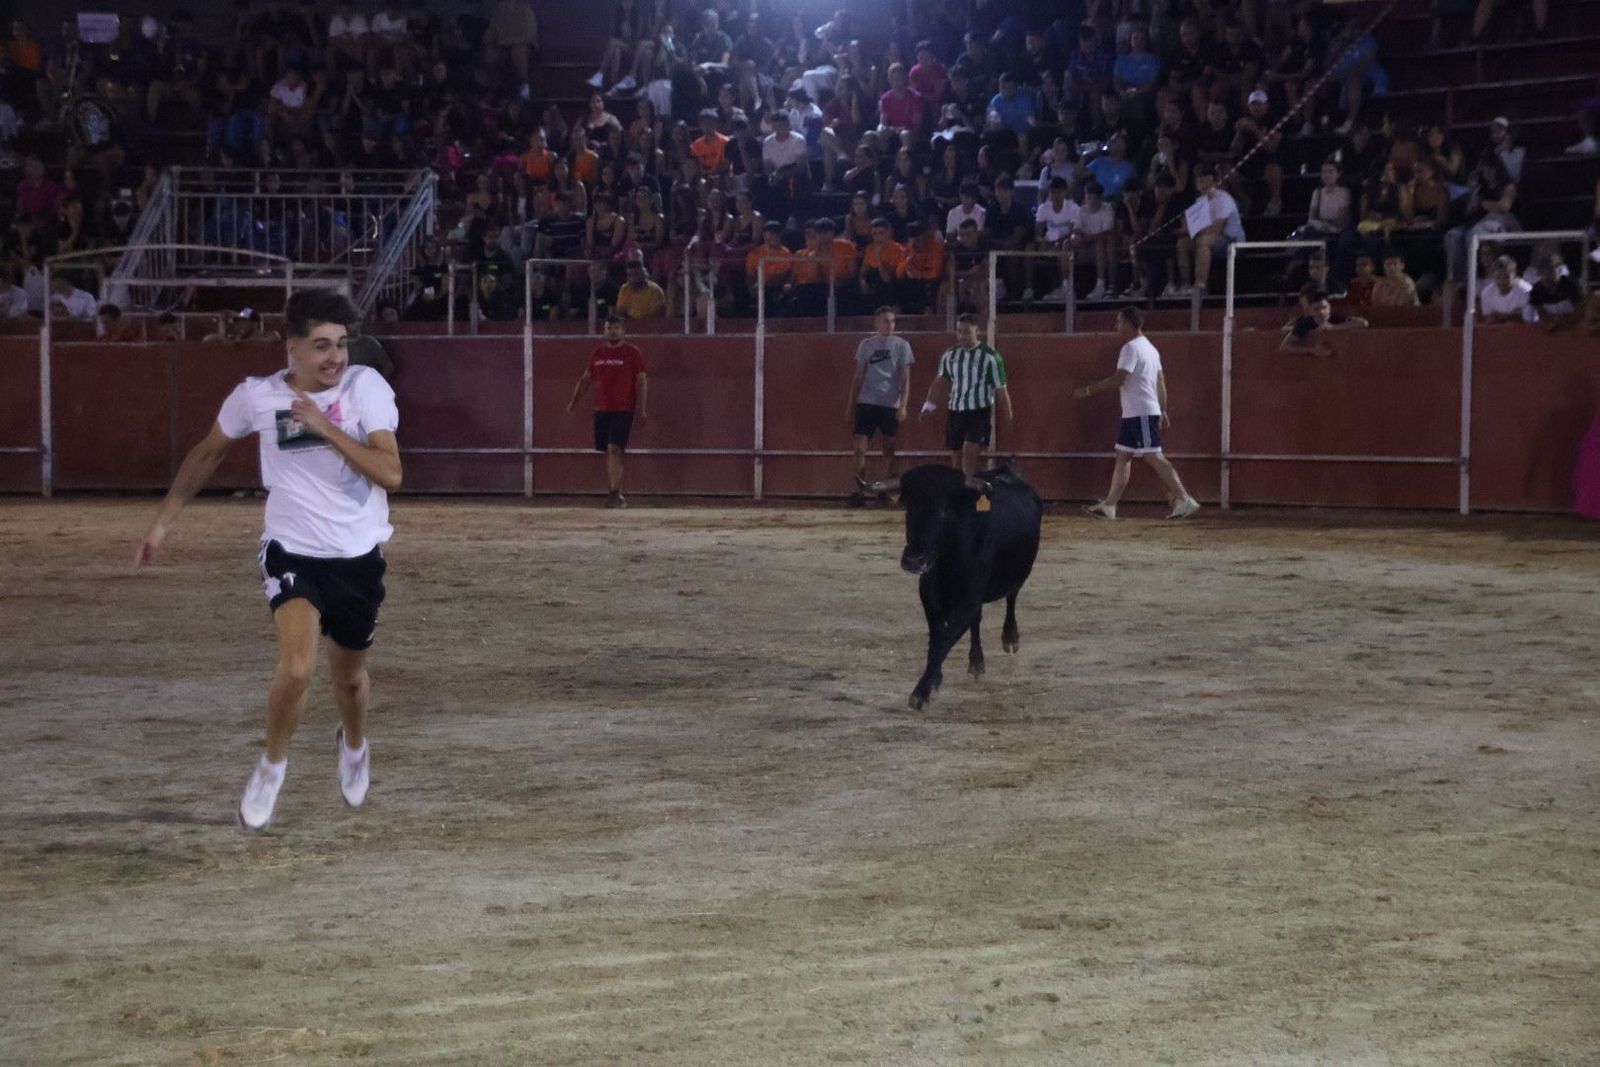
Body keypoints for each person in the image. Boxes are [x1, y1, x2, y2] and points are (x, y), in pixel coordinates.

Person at [135, 290, 403, 831]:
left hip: (357, 555)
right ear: (293, 349)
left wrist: (324, 427)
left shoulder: (365, 388)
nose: (335, 358)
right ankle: (271, 765)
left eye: (342, 346)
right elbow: (207, 452)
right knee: (298, 667)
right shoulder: (256, 397)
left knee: (349, 680)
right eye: (322, 346)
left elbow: (391, 473)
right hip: (291, 549)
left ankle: (354, 744)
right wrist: (163, 523)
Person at [1076, 306, 1200, 520]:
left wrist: (1089, 390)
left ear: (1128, 323)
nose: (1116, 327)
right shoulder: (1151, 349)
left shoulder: (1131, 348)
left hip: (1140, 412)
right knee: (1123, 456)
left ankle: (1184, 498)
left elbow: (1119, 379)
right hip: (1138, 412)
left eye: (1118, 322)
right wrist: (1163, 409)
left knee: (1153, 456)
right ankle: (1110, 505)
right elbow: (1160, 381)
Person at [566, 314, 648, 507]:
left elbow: (642, 381)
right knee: (610, 450)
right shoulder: (598, 353)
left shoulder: (632, 353)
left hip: (623, 408)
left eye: (617, 327)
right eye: (609, 328)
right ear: (604, 331)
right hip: (602, 409)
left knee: (614, 448)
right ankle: (614, 491)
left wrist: (641, 409)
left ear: (623, 331)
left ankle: (615, 492)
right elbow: (586, 380)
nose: (613, 331)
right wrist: (573, 402)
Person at [919, 313, 1013, 477]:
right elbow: (940, 382)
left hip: (979, 411)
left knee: (969, 450)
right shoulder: (950, 355)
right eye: (959, 331)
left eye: (967, 332)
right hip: (956, 411)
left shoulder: (990, 357)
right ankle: (960, 491)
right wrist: (928, 405)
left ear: (978, 331)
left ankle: (968, 490)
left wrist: (1008, 415)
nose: (962, 336)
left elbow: (1000, 388)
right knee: (955, 455)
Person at [847, 306, 914, 505]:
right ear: (876, 322)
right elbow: (858, 377)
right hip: (867, 402)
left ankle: (885, 491)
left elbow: (905, 379)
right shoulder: (866, 345)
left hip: (889, 403)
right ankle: (859, 491)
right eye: (886, 321)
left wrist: (903, 405)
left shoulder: (902, 345)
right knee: (859, 448)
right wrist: (851, 404)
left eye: (892, 321)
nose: (890, 325)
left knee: (889, 449)